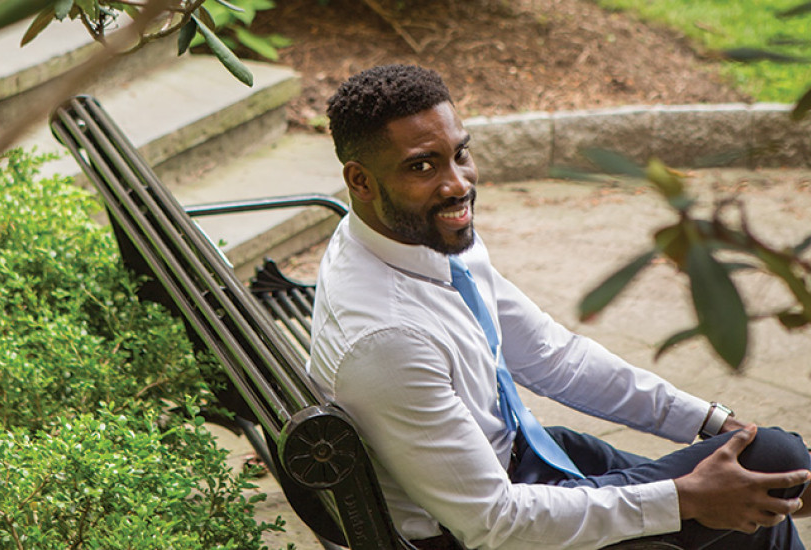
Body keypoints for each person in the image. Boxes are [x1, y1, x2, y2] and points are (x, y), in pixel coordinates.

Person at [306, 64, 811, 549]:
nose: (458, 184)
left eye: (460, 154)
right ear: (361, 181)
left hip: (527, 460)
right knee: (771, 461)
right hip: (488, 531)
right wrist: (685, 500)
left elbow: (553, 356)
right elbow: (493, 523)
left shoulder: (415, 239)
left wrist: (712, 421)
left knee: (750, 476)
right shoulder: (389, 339)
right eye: (422, 166)